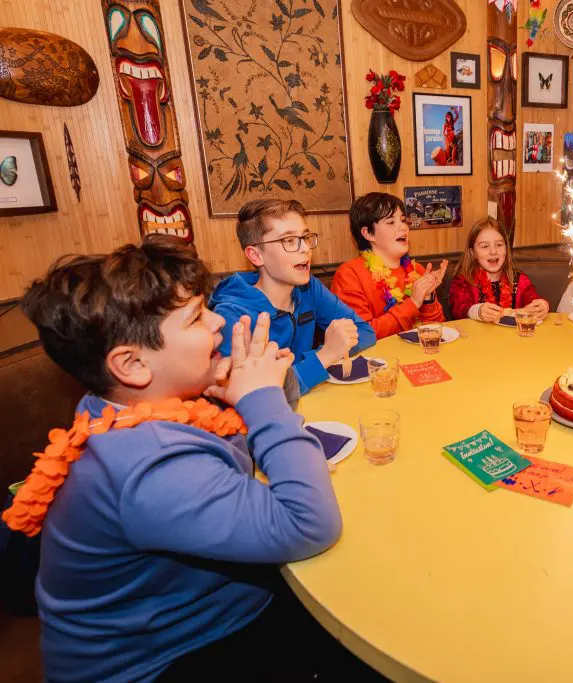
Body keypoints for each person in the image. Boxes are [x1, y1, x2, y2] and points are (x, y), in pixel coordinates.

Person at [3, 237, 346, 682]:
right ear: (131, 365)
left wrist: (244, 397)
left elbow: (227, 467)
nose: (219, 320)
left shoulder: (117, 408)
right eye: (197, 317)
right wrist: (261, 398)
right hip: (166, 658)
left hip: (197, 616)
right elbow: (310, 524)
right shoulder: (147, 464)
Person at [210, 198, 375, 395]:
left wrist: (305, 364)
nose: (305, 248)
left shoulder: (308, 287)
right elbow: (248, 396)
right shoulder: (232, 316)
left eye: (305, 238)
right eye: (288, 241)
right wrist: (325, 355)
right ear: (256, 256)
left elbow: (365, 332)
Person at [331, 192, 448, 338]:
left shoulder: (417, 270)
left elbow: (437, 329)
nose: (404, 228)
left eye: (403, 220)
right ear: (368, 234)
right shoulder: (350, 274)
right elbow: (361, 336)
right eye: (391, 222)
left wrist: (428, 299)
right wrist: (413, 303)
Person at [449, 218, 548, 321]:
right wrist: (477, 311)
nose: (493, 251)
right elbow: (459, 309)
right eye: (484, 246)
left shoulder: (519, 280)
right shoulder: (463, 282)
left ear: (506, 248)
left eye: (499, 245)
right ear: (472, 253)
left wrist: (540, 306)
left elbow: (532, 298)